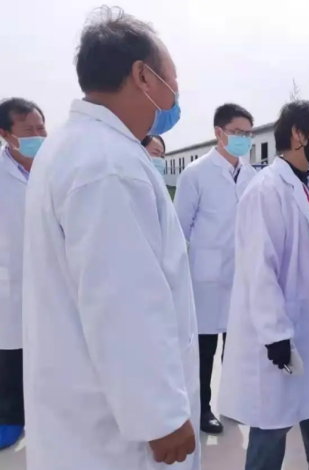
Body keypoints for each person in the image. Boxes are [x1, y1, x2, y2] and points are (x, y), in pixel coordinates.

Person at [21, 8, 199, 470]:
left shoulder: (75, 147)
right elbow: (123, 301)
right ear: (143, 76)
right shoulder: (108, 165)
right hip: (117, 434)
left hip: (85, 407)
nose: (175, 94)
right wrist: (160, 416)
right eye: (172, 80)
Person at [218, 100, 309, 470]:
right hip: (281, 328)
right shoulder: (267, 190)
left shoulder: (307, 185)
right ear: (297, 134)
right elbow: (260, 268)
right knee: (272, 426)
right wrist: (275, 334)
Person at [174, 102, 257, 435]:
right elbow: (179, 228)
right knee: (205, 349)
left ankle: (233, 402)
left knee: (236, 347)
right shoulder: (195, 173)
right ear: (219, 132)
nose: (243, 139)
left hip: (241, 273)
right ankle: (202, 407)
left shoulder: (251, 174)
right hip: (205, 276)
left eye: (248, 134)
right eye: (237, 132)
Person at [0, 97, 46, 451]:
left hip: (53, 278)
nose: (38, 135)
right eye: (28, 130)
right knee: (11, 355)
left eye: (41, 127)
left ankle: (46, 414)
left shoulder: (56, 166)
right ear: (5, 134)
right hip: (10, 280)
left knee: (51, 351)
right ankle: (10, 417)